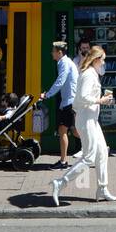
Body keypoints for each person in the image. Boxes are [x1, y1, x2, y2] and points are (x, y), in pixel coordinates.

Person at [50, 46, 116, 204]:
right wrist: (100, 100)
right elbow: (81, 97)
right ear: (96, 59)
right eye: (103, 60)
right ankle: (60, 183)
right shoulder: (88, 74)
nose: (104, 63)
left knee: (102, 152)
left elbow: (86, 96)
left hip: (91, 120)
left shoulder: (92, 73)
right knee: (89, 157)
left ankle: (102, 188)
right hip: (86, 120)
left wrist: (101, 99)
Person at [40, 40, 79, 168]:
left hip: (69, 102)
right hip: (69, 101)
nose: (51, 53)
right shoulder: (65, 62)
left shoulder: (64, 63)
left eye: (53, 51)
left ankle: (63, 161)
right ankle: (63, 160)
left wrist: (47, 94)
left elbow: (60, 81)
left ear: (59, 52)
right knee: (72, 130)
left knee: (65, 130)